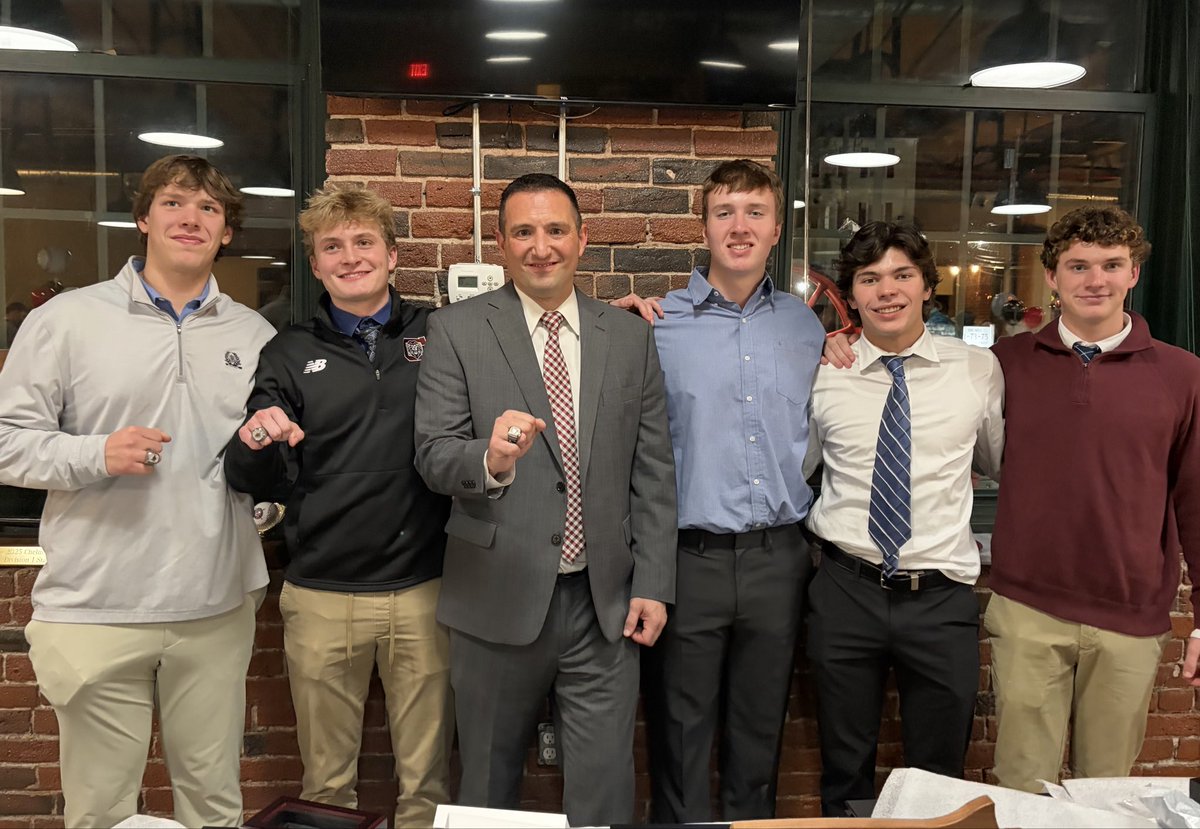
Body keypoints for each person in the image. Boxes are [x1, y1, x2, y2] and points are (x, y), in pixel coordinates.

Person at [0, 155, 274, 828]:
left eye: (209, 208)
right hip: (97, 606)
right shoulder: (66, 320)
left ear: (227, 232)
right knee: (100, 812)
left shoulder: (257, 335)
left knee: (214, 807)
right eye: (175, 202)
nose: (191, 218)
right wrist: (98, 452)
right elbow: (8, 443)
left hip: (214, 607)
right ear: (144, 217)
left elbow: (268, 464)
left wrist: (267, 500)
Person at [413, 172, 677, 826]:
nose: (541, 246)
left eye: (555, 229)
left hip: (603, 605)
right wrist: (491, 459)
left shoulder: (630, 338)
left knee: (605, 791)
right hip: (494, 598)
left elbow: (654, 471)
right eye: (523, 232)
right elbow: (432, 453)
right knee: (486, 788)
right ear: (501, 242)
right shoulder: (456, 330)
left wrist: (654, 582)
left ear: (582, 239)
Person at [223, 188, 453, 826]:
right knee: (326, 786)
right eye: (332, 247)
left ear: (392, 254)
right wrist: (256, 436)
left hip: (425, 590)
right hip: (323, 596)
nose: (350, 258)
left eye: (363, 242)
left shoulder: (441, 332)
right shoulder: (289, 351)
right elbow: (253, 474)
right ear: (317, 266)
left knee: (427, 787)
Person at [630, 159, 826, 822]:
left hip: (779, 559)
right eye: (724, 212)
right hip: (688, 560)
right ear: (704, 227)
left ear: (777, 229)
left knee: (758, 734)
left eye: (754, 212)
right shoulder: (654, 326)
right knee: (679, 739)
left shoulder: (809, 329)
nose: (739, 226)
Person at [984, 206, 1200, 791]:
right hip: (1029, 605)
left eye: (1111, 265)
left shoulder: (1183, 375)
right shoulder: (1005, 366)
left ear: (1134, 274)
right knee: (1021, 786)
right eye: (1078, 266)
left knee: (1106, 792)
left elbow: (1195, 497)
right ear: (1051, 277)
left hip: (1129, 610)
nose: (1095, 280)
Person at [804, 221, 1004, 816]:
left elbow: (1000, 461)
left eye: (901, 275)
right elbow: (800, 468)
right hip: (845, 589)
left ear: (925, 286)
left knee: (940, 775)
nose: (886, 291)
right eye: (869, 278)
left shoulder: (976, 370)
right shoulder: (823, 373)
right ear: (852, 293)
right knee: (844, 767)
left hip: (941, 596)